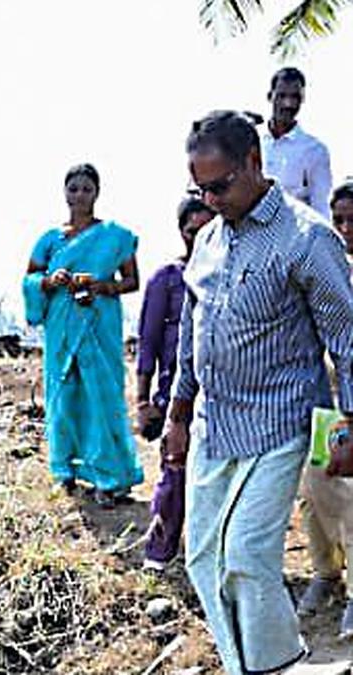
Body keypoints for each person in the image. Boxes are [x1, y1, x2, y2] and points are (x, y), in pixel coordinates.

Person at [164, 110, 353, 674]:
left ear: (253, 161)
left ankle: (275, 667)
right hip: (213, 424)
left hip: (280, 422)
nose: (210, 200)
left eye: (220, 186)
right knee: (204, 560)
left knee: (246, 555)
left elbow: (347, 339)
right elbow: (192, 332)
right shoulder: (208, 240)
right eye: (200, 190)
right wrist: (178, 411)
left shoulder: (307, 238)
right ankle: (250, 666)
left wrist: (350, 425)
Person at [23, 163, 143, 509]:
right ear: (64, 192)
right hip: (61, 328)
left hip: (99, 323)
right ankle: (65, 471)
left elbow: (132, 281)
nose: (79, 196)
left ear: (97, 193)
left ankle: (108, 477)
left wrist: (101, 286)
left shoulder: (114, 237)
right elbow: (30, 279)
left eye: (86, 189)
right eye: (73, 189)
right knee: (64, 396)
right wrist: (50, 281)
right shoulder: (50, 239)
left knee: (100, 398)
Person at [136, 196, 213, 572]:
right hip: (175, 393)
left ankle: (209, 557)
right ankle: (160, 552)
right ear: (181, 232)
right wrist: (143, 401)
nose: (198, 238)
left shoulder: (229, 271)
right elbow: (148, 342)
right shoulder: (166, 278)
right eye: (191, 231)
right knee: (174, 472)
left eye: (206, 229)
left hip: (220, 393)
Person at [297, 181, 353, 636]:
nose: (347, 228)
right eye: (339, 220)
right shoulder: (324, 262)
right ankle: (325, 573)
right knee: (316, 491)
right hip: (326, 401)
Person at [261, 67, 333, 220]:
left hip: (292, 230)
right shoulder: (250, 139)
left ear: (302, 99)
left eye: (295, 97)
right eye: (282, 96)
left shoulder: (314, 150)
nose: (288, 104)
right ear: (269, 96)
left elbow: (321, 206)